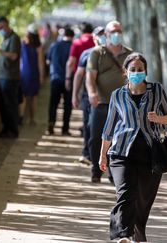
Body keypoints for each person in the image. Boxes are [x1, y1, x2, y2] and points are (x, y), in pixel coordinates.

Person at [99, 53, 167, 243]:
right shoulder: (117, 95)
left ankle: (137, 236)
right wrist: (103, 156)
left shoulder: (156, 90)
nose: (136, 72)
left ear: (145, 71)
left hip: (151, 154)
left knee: (143, 201)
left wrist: (159, 119)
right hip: (121, 153)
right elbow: (108, 128)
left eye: (140, 69)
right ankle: (123, 235)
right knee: (125, 193)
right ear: (125, 72)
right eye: (132, 70)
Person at [86, 20, 133, 183]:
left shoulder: (130, 54)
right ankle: (96, 170)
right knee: (96, 138)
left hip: (122, 106)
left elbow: (135, 78)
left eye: (119, 31)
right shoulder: (97, 53)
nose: (116, 34)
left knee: (118, 139)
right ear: (106, 34)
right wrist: (92, 93)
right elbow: (90, 77)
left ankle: (114, 172)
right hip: (101, 103)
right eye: (113, 31)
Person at [71, 26, 106, 165]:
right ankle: (87, 153)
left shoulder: (112, 54)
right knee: (88, 125)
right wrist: (75, 94)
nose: (102, 37)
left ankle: (102, 154)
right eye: (100, 35)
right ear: (94, 37)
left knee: (104, 127)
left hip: (106, 98)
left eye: (104, 34)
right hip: (87, 97)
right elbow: (79, 74)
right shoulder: (86, 54)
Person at [0, 16, 21, 138]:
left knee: (10, 104)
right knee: (2, 104)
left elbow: (14, 56)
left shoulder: (14, 38)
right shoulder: (4, 38)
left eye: (1, 27)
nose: (0, 30)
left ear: (6, 24)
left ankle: (13, 130)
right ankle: (6, 128)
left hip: (10, 77)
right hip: (2, 76)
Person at [46, 27, 75, 135]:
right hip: (69, 80)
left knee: (53, 103)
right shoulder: (73, 47)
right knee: (67, 105)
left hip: (55, 78)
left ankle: (51, 124)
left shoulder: (54, 45)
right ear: (72, 37)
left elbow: (48, 61)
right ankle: (65, 128)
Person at [20, 24, 44, 125]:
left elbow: (20, 61)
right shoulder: (39, 47)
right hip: (34, 74)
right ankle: (32, 119)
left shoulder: (23, 44)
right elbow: (40, 63)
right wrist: (42, 76)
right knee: (33, 97)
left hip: (24, 73)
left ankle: (20, 117)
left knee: (24, 96)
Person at [65, 22, 94, 92]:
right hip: (95, 77)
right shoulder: (96, 42)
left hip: (80, 77)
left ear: (81, 31)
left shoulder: (77, 43)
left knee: (79, 98)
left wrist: (68, 78)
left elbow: (71, 63)